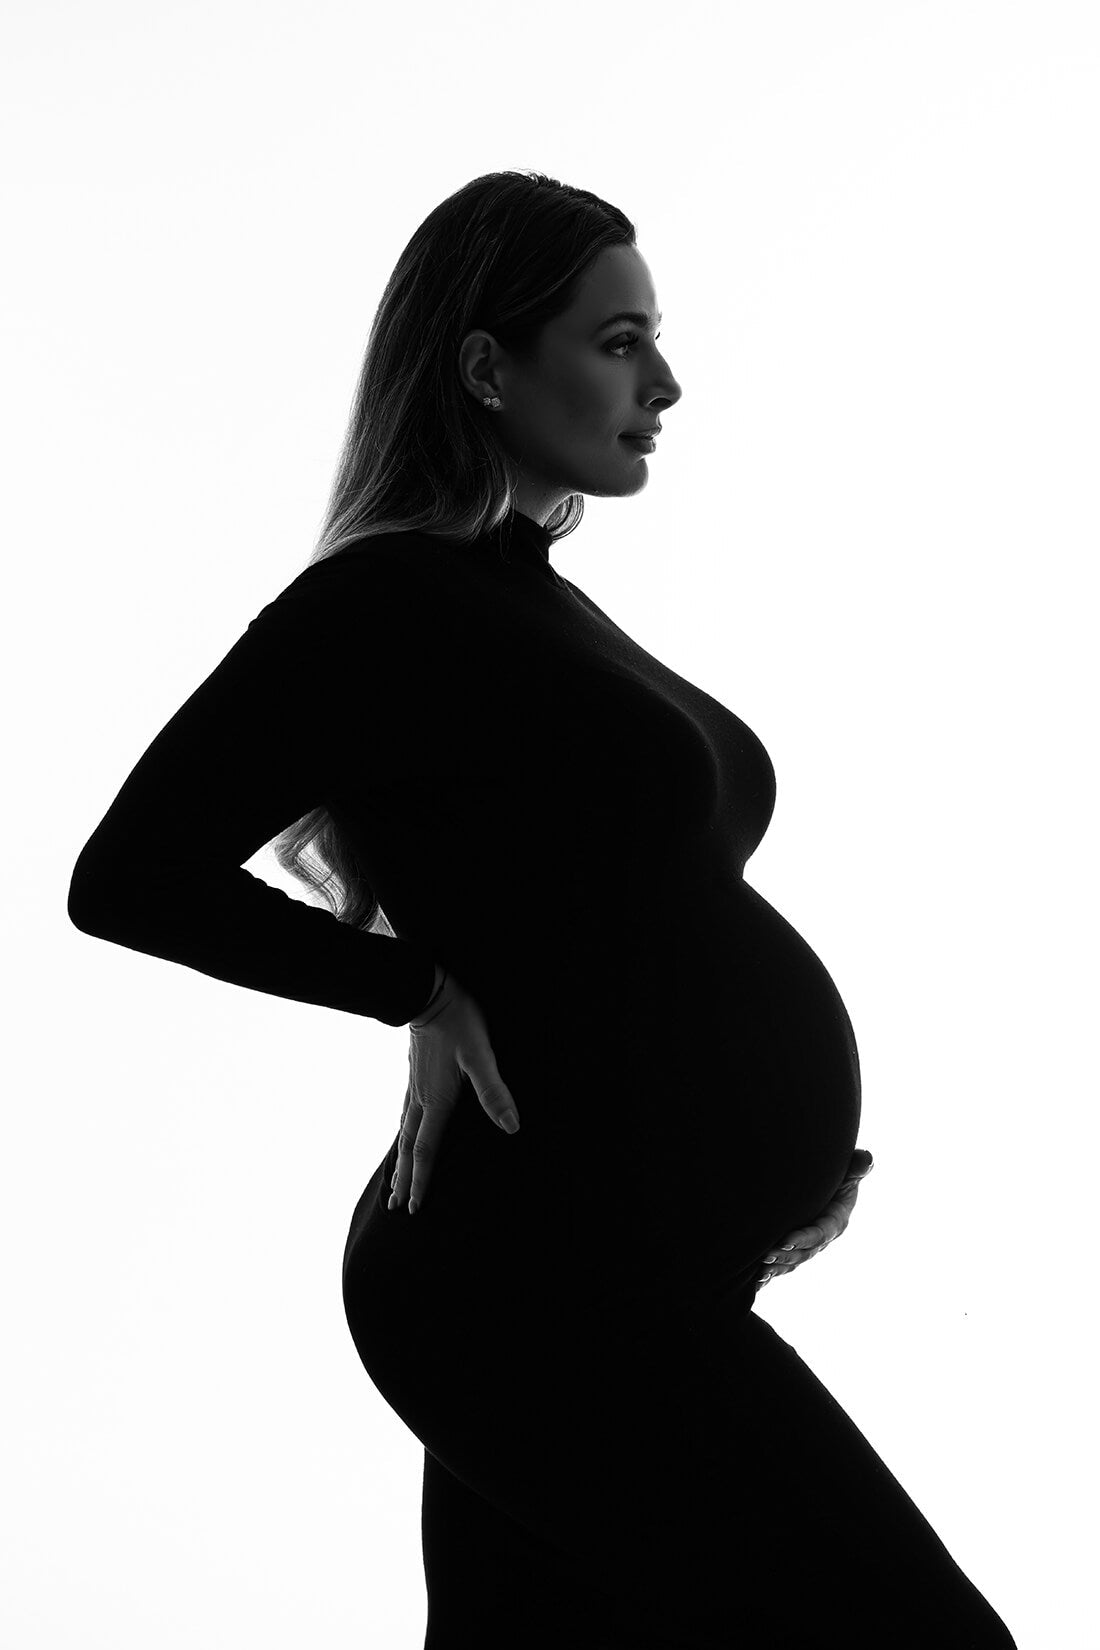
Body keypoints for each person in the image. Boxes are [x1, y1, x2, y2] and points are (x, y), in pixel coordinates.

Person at [67, 170, 1017, 1648]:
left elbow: (602, 923)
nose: (670, 383)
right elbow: (127, 878)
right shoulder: (384, 601)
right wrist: (416, 992)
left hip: (618, 1268)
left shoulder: (528, 592)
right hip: (529, 1288)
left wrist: (773, 1158)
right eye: (621, 340)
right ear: (488, 365)